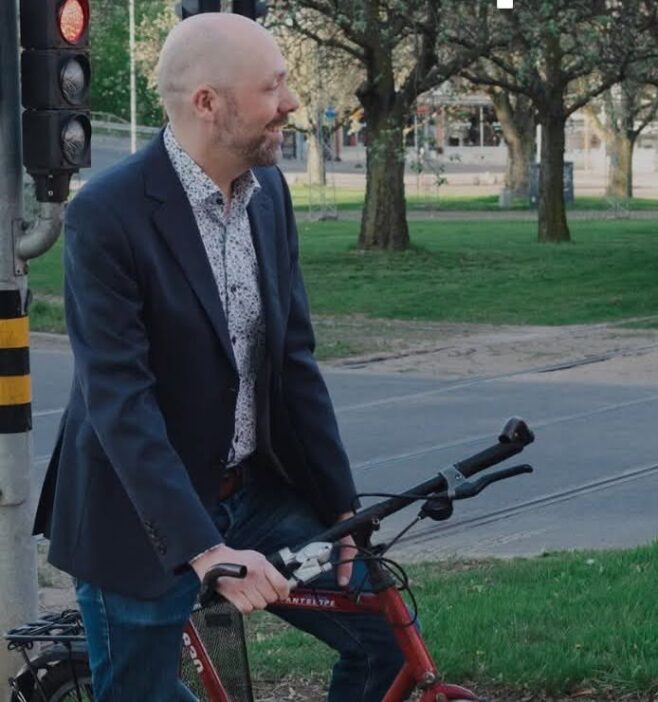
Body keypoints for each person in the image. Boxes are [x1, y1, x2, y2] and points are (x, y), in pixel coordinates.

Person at [33, 13, 403, 702]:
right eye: (272, 87)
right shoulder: (108, 214)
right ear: (208, 103)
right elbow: (121, 403)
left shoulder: (270, 195)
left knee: (384, 638)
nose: (292, 102)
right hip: (136, 516)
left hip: (250, 494)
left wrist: (342, 511)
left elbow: (294, 363)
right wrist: (204, 552)